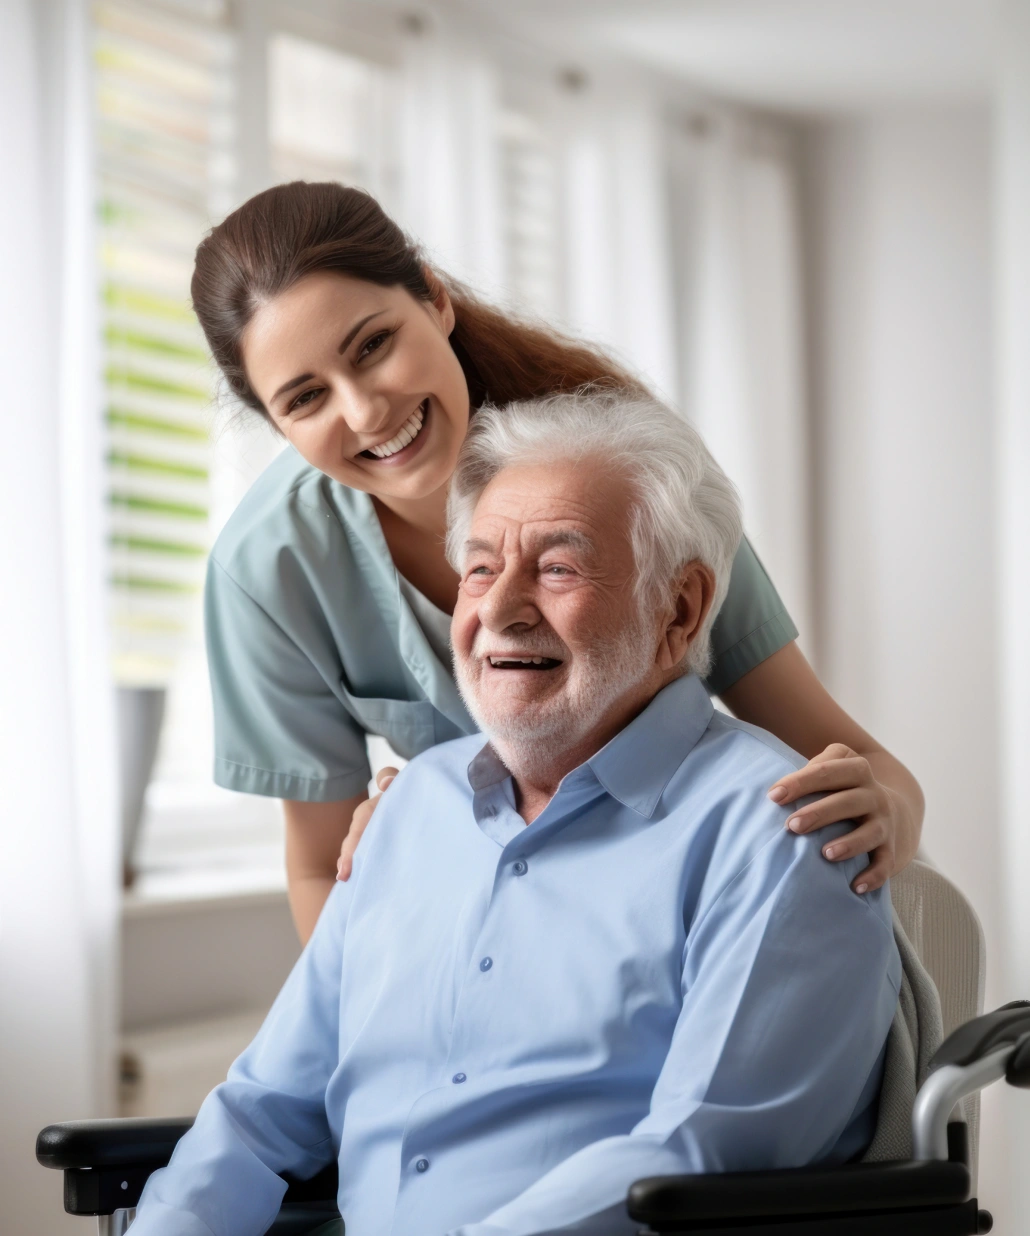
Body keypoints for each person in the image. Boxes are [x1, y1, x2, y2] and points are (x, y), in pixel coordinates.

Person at [130, 392, 900, 1236]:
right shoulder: (411, 809)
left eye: (559, 568)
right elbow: (257, 1115)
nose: (498, 609)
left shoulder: (781, 834)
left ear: (678, 611)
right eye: (482, 568)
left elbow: (696, 1150)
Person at [194, 181, 923, 942]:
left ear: (435, 300)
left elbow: (859, 761)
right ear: (276, 425)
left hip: (693, 911)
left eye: (373, 345)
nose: (365, 411)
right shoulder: (268, 572)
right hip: (502, 939)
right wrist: (367, 1029)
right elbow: (322, 865)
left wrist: (892, 810)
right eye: (305, 398)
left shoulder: (634, 477)